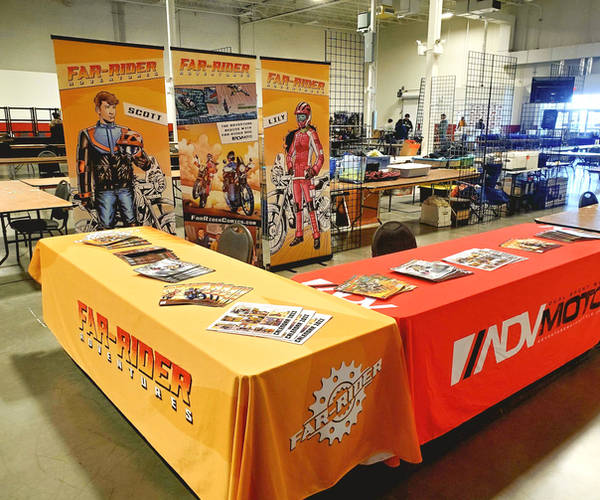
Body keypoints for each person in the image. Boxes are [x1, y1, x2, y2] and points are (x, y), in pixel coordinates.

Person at [76, 90, 151, 229]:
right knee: (106, 229)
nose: (111, 112)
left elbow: (142, 161)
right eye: (107, 107)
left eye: (113, 107)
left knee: (133, 226)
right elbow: (83, 166)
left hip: (126, 188)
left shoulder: (125, 132)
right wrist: (85, 194)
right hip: (104, 190)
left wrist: (143, 160)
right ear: (98, 110)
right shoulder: (87, 134)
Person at [285, 101, 324, 250]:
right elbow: (290, 155)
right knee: (297, 207)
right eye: (298, 117)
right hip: (296, 175)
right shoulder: (296, 135)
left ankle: (316, 235)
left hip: (307, 176)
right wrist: (289, 166)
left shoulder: (312, 134)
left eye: (302, 117)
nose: (299, 120)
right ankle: (299, 234)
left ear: (308, 117)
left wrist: (313, 170)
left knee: (310, 206)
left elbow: (320, 156)